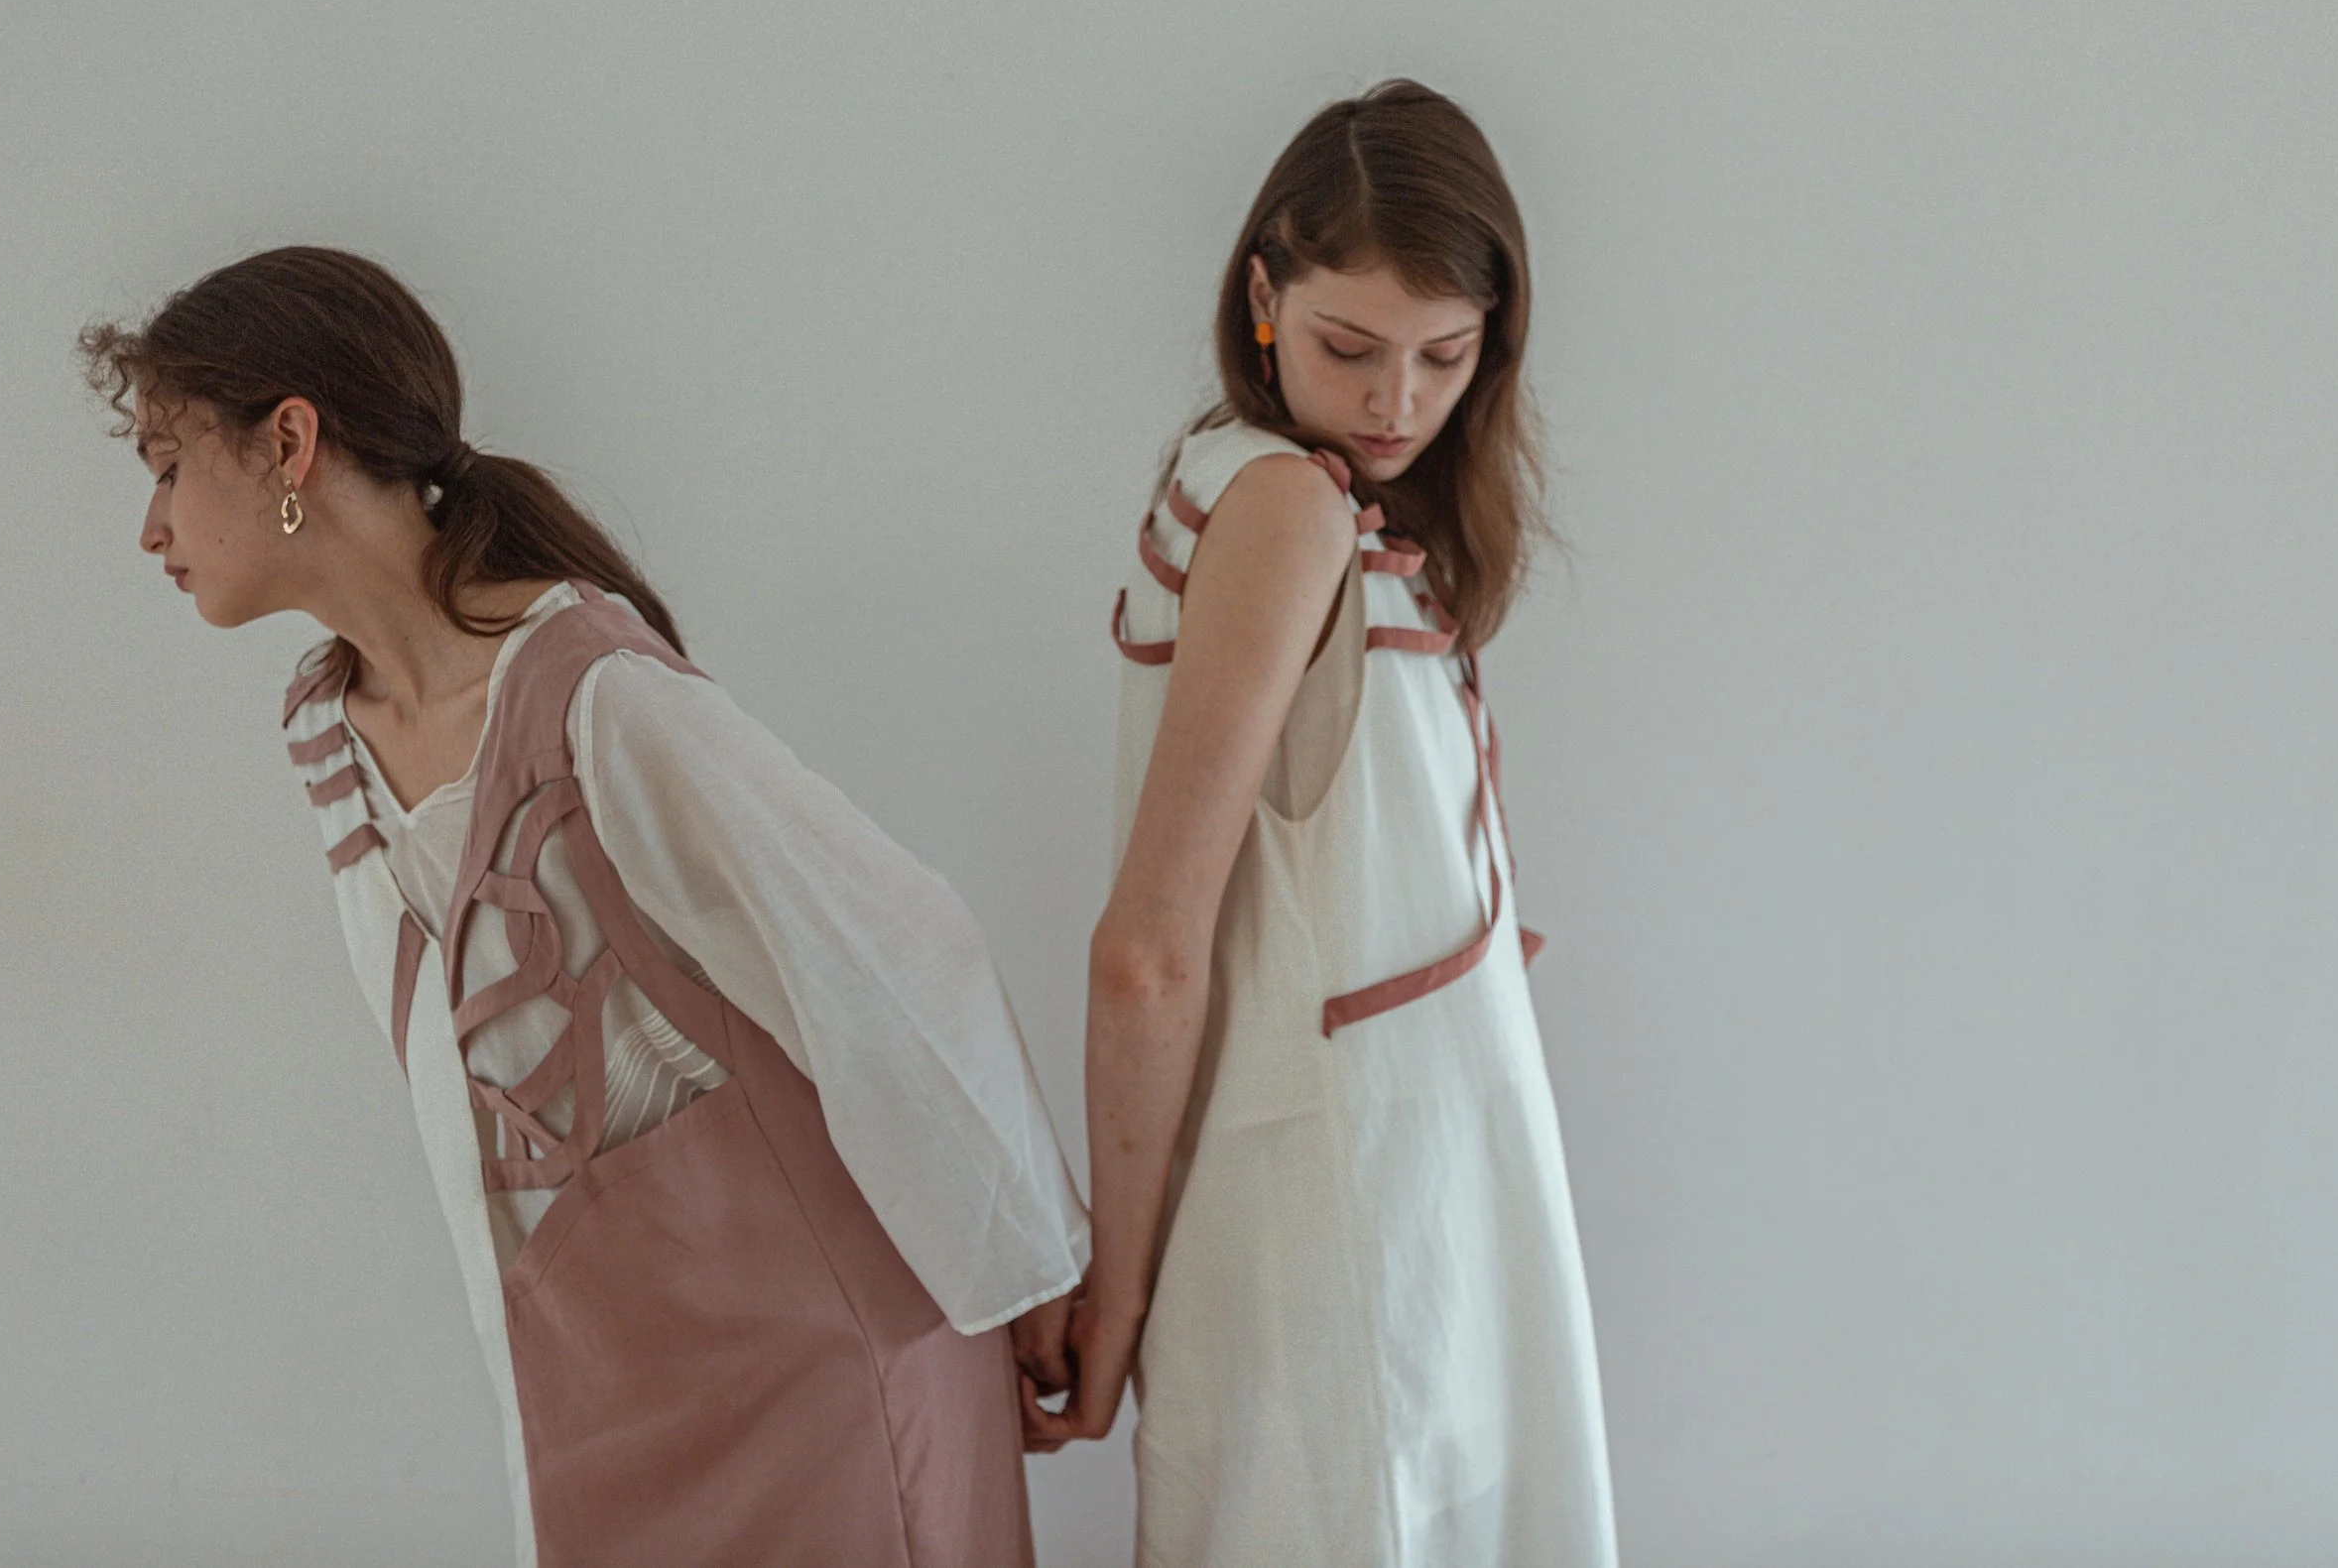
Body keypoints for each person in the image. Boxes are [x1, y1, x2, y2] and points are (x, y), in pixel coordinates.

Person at [87, 246, 1086, 1568]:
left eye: (166, 464)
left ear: (289, 443)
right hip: (609, 1384)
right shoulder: (330, 735)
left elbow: (896, 952)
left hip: (817, 1375)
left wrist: (1024, 1270)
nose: (148, 526)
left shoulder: (598, 697)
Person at [1024, 81, 1618, 1566]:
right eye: (1352, 347)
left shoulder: (1342, 509)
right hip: (1343, 1201)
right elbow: (1151, 947)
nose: (1398, 402)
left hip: (1423, 1178)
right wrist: (1118, 1282)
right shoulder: (1284, 508)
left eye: (1446, 358)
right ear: (1264, 296)